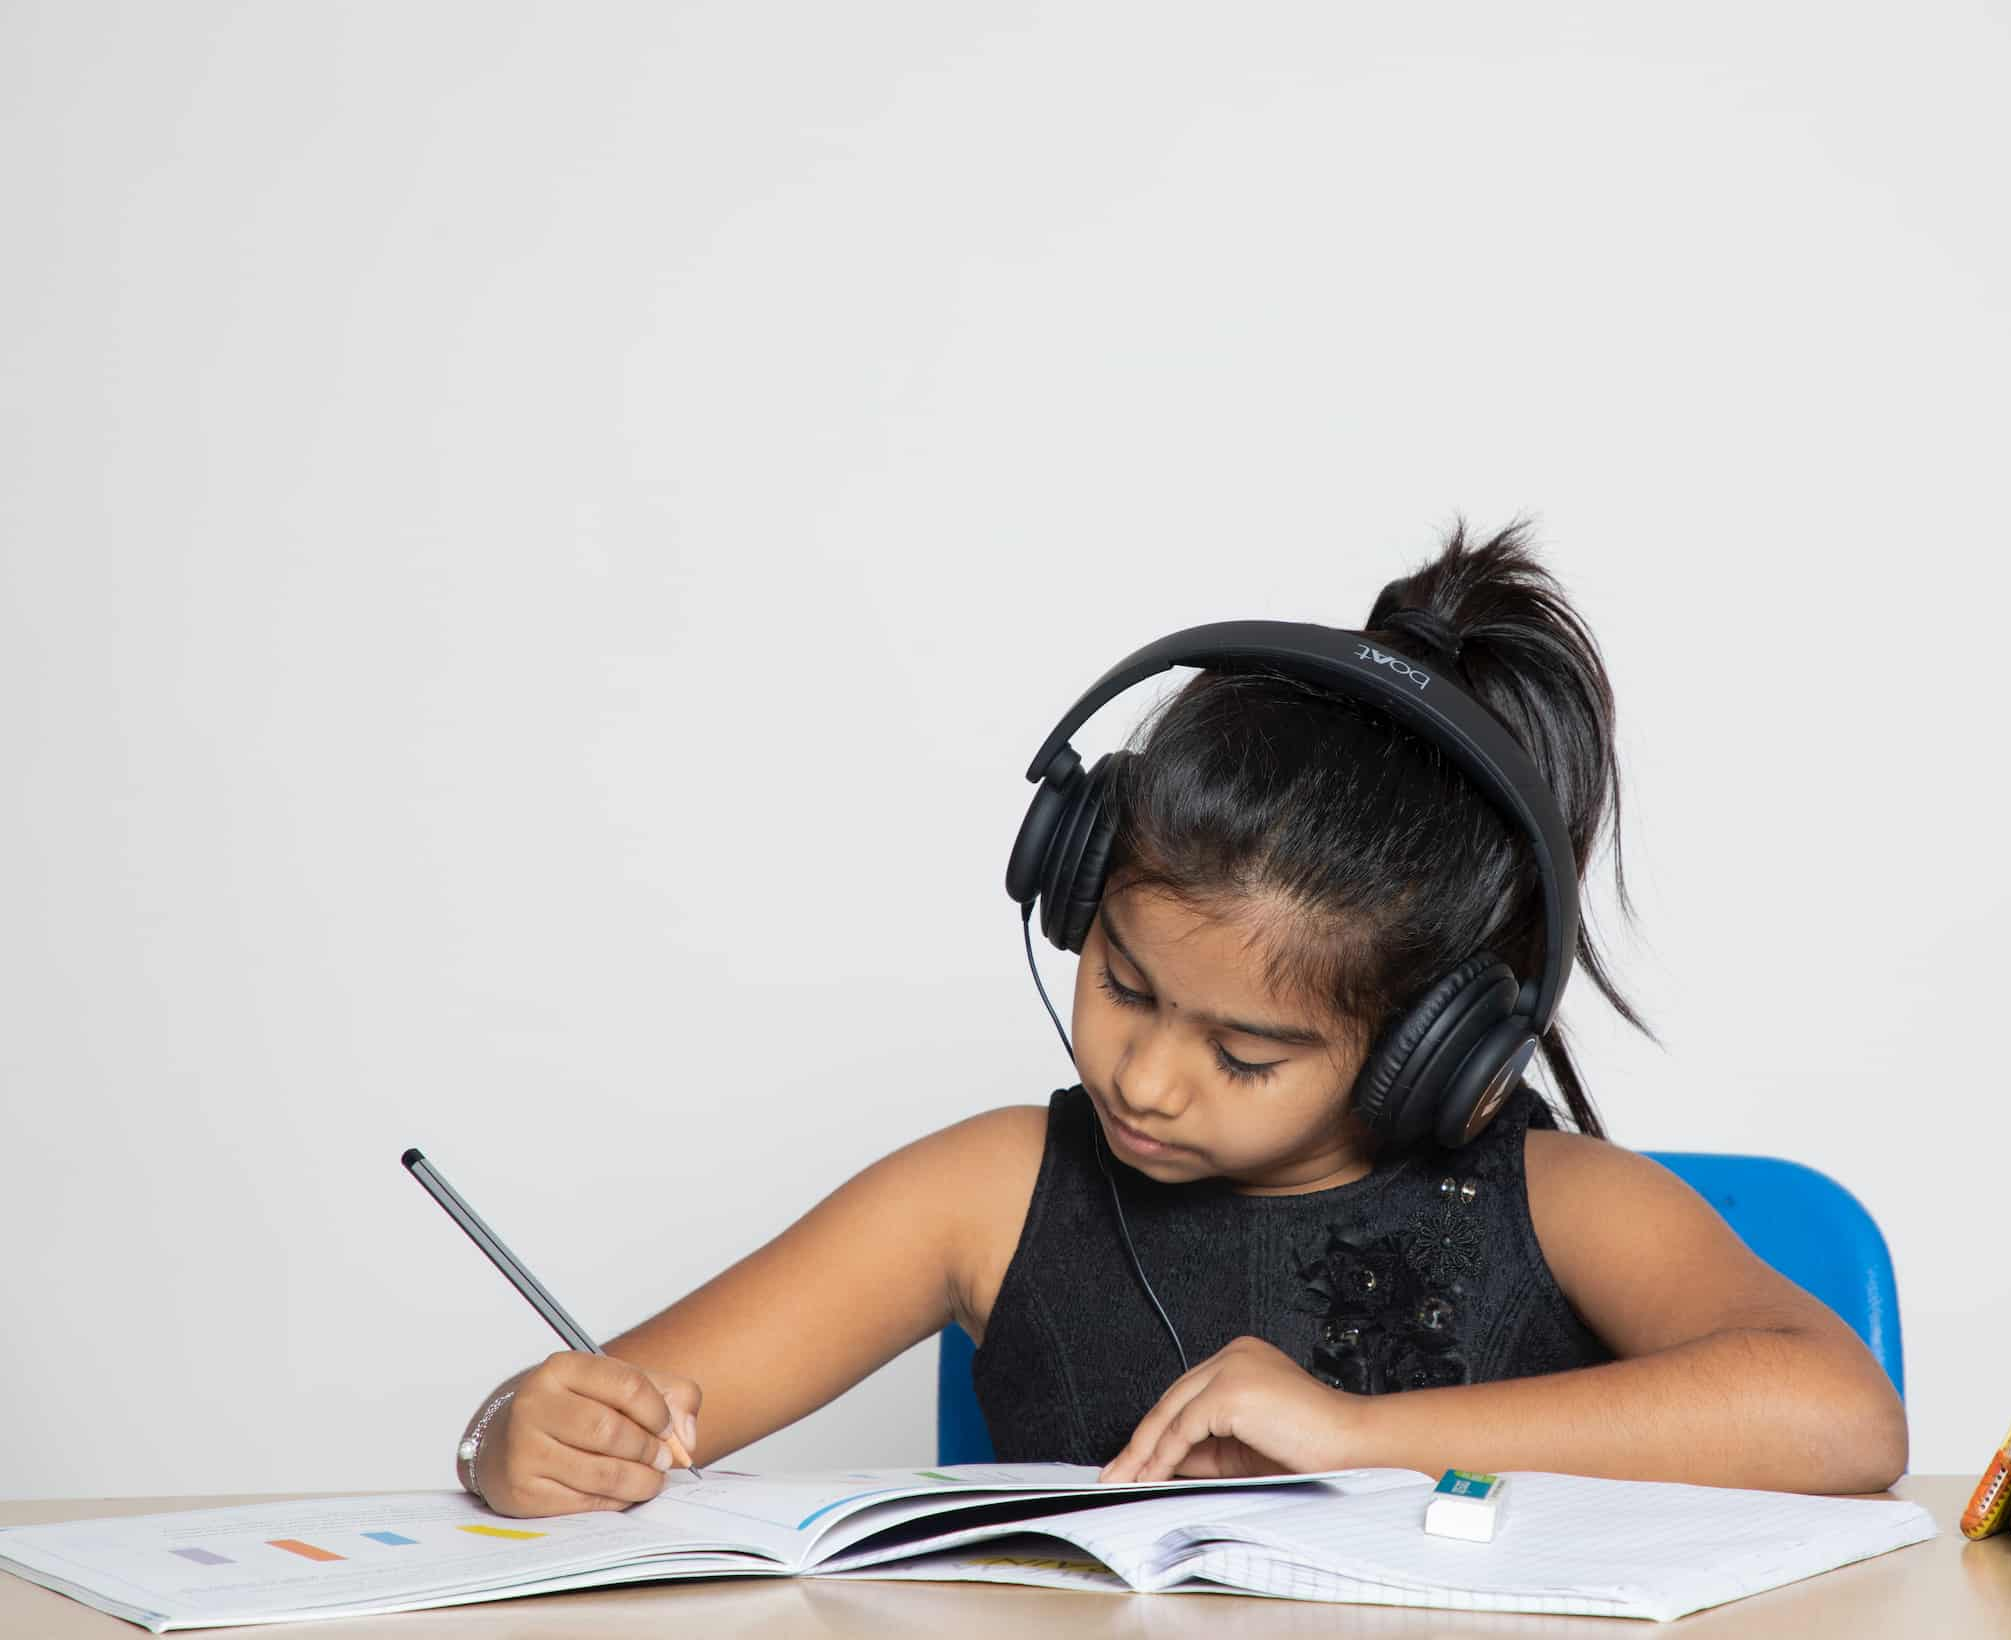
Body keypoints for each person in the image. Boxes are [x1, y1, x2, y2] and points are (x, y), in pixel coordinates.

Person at [454, 522, 1910, 1518]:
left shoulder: (1563, 1203)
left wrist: (1354, 1439)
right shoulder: (981, 1193)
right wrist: (519, 1438)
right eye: (1124, 986)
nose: (1144, 1077)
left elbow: (1844, 1423)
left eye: (1246, 1052)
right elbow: (620, 1401)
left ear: (1433, 1047)